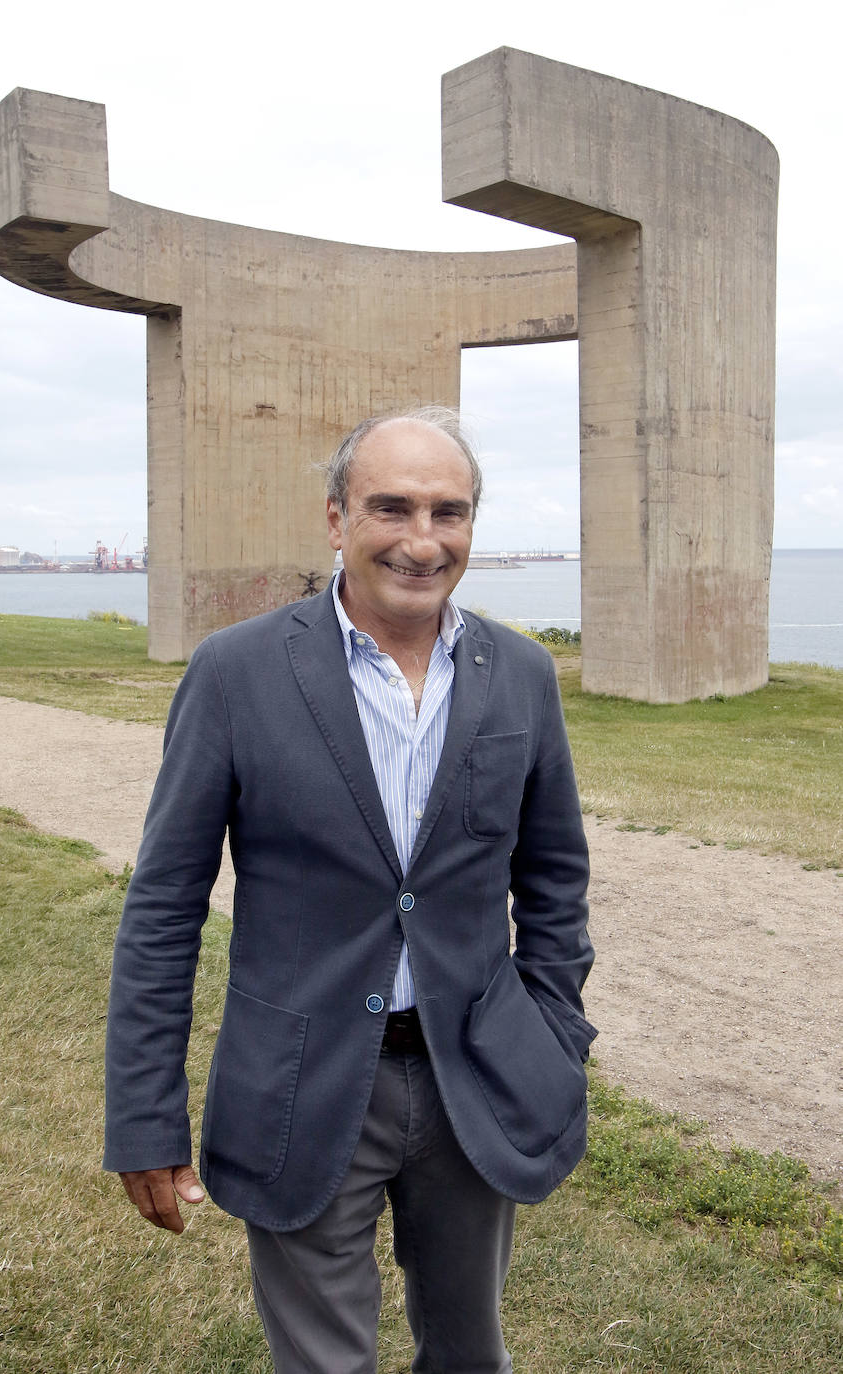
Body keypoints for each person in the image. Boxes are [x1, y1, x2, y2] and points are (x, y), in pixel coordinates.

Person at [104, 406, 594, 1373]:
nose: (422, 541)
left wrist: (553, 1027)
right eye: (391, 508)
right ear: (336, 520)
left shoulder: (523, 676)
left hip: (476, 1075)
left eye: (448, 513)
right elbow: (164, 905)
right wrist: (144, 1115)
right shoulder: (236, 672)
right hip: (301, 1078)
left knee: (471, 1355)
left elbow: (554, 877)